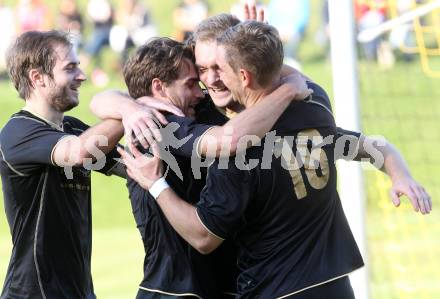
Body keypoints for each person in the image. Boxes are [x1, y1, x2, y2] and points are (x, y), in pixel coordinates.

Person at [118, 20, 432, 298]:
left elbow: (203, 236)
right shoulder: (313, 104)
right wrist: (399, 173)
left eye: (220, 69)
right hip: (335, 283)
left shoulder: (233, 150)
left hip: (273, 287)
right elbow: (371, 145)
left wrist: (156, 184)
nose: (210, 82)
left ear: (242, 73)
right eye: (202, 71)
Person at [90, 35, 311, 298]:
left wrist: (248, 43)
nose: (200, 91)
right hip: (174, 292)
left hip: (216, 288)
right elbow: (229, 141)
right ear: (159, 87)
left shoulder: (195, 113)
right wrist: (289, 89)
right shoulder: (158, 127)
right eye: (192, 84)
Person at [0, 30, 174, 299]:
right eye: (70, 68)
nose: (81, 76)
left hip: (79, 292)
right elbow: (80, 152)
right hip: (33, 293)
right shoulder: (18, 132)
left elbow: (134, 167)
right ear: (37, 78)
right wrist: (132, 108)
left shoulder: (70, 128)